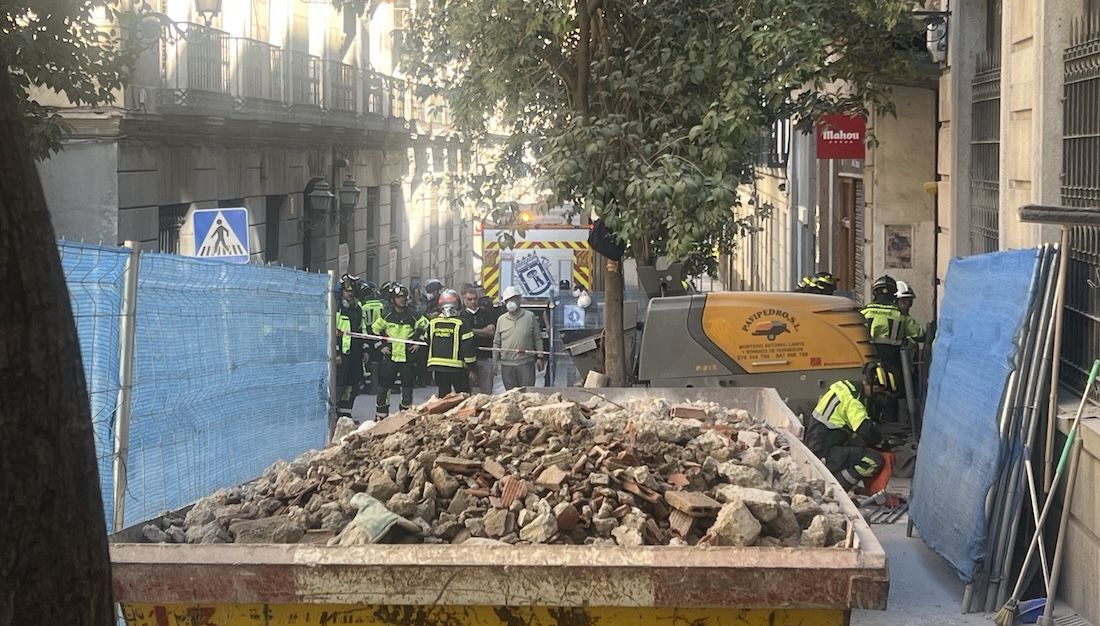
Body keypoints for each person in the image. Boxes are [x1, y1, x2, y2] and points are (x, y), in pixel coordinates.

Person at [804, 361, 899, 493]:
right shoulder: (854, 401)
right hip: (824, 452)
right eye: (880, 393)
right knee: (874, 460)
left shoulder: (845, 387)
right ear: (875, 388)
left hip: (818, 445)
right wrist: (883, 444)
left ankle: (839, 481)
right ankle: (837, 488)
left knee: (860, 447)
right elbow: (865, 430)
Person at [371, 283, 428, 418]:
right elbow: (373, 330)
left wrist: (419, 342)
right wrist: (381, 346)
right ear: (393, 299)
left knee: (407, 387)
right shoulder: (386, 315)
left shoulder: (414, 315)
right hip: (390, 357)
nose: (402, 299)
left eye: (404, 297)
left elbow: (427, 327)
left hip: (408, 357)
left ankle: (405, 416)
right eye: (398, 297)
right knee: (384, 387)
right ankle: (381, 416)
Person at [493, 285, 545, 389]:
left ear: (519, 299)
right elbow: (497, 342)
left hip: (526, 364)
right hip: (507, 365)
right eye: (508, 300)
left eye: (513, 299)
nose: (511, 302)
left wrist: (540, 357)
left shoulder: (530, 317)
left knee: (527, 394)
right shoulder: (501, 320)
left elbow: (537, 338)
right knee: (511, 395)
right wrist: (494, 362)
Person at [427, 290, 477, 397]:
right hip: (457, 368)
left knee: (443, 396)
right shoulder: (461, 323)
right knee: (463, 396)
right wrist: (472, 368)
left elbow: (427, 340)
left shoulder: (433, 322)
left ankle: (443, 413)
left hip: (437, 367)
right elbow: (468, 348)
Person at [860, 275, 907, 374]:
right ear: (894, 295)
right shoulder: (900, 314)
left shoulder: (864, 312)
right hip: (893, 362)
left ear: (874, 293)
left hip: (867, 360)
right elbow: (919, 334)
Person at [335, 274, 364, 416]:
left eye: (352, 291)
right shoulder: (336, 307)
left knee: (353, 384)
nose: (350, 293)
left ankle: (345, 414)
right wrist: (336, 353)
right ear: (341, 292)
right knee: (339, 384)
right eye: (347, 291)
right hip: (342, 352)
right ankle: (334, 414)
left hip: (355, 352)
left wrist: (365, 351)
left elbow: (362, 329)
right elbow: (331, 332)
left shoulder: (358, 307)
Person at [460, 284, 498, 394]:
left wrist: (471, 330)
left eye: (475, 299)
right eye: (469, 299)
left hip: (485, 357)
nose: (473, 302)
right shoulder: (461, 316)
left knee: (486, 390)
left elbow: (491, 331)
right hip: (466, 360)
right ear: (464, 300)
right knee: (466, 391)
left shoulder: (486, 313)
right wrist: (482, 331)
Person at [357, 281, 385, 395]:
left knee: (366, 362)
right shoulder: (381, 305)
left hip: (366, 335)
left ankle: (367, 385)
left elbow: (361, 323)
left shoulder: (362, 306)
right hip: (378, 335)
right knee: (378, 361)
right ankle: (377, 384)